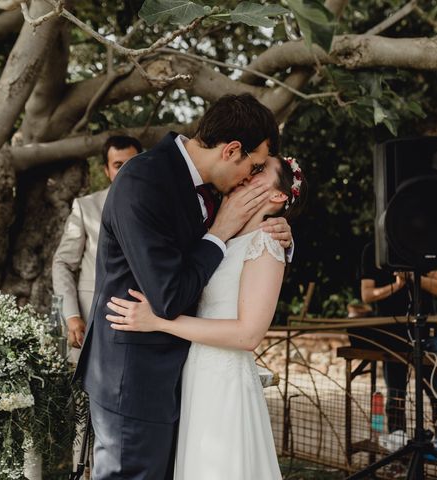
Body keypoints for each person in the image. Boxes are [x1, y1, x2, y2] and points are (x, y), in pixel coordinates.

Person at [73, 93, 294, 480]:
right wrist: (222, 228)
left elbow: (240, 254)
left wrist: (282, 236)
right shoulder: (144, 180)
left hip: (186, 378)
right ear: (232, 150)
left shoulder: (208, 187)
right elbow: (169, 295)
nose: (249, 179)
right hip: (135, 375)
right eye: (253, 167)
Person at [106, 155, 307, 479]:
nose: (246, 172)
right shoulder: (219, 236)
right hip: (194, 375)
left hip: (225, 383)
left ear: (278, 196)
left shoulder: (269, 242)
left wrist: (158, 321)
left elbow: (248, 335)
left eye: (258, 170)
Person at [53, 135, 143, 360]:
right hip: (92, 319)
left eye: (132, 163)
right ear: (106, 170)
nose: (125, 171)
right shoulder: (86, 208)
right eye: (118, 165)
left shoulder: (161, 208)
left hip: (144, 322)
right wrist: (71, 315)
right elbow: (62, 263)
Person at [359, 241, 437, 451]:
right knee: (396, 392)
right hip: (391, 332)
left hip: (426, 330)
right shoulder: (372, 250)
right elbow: (366, 294)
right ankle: (397, 444)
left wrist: (412, 277)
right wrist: (397, 285)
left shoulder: (427, 243)